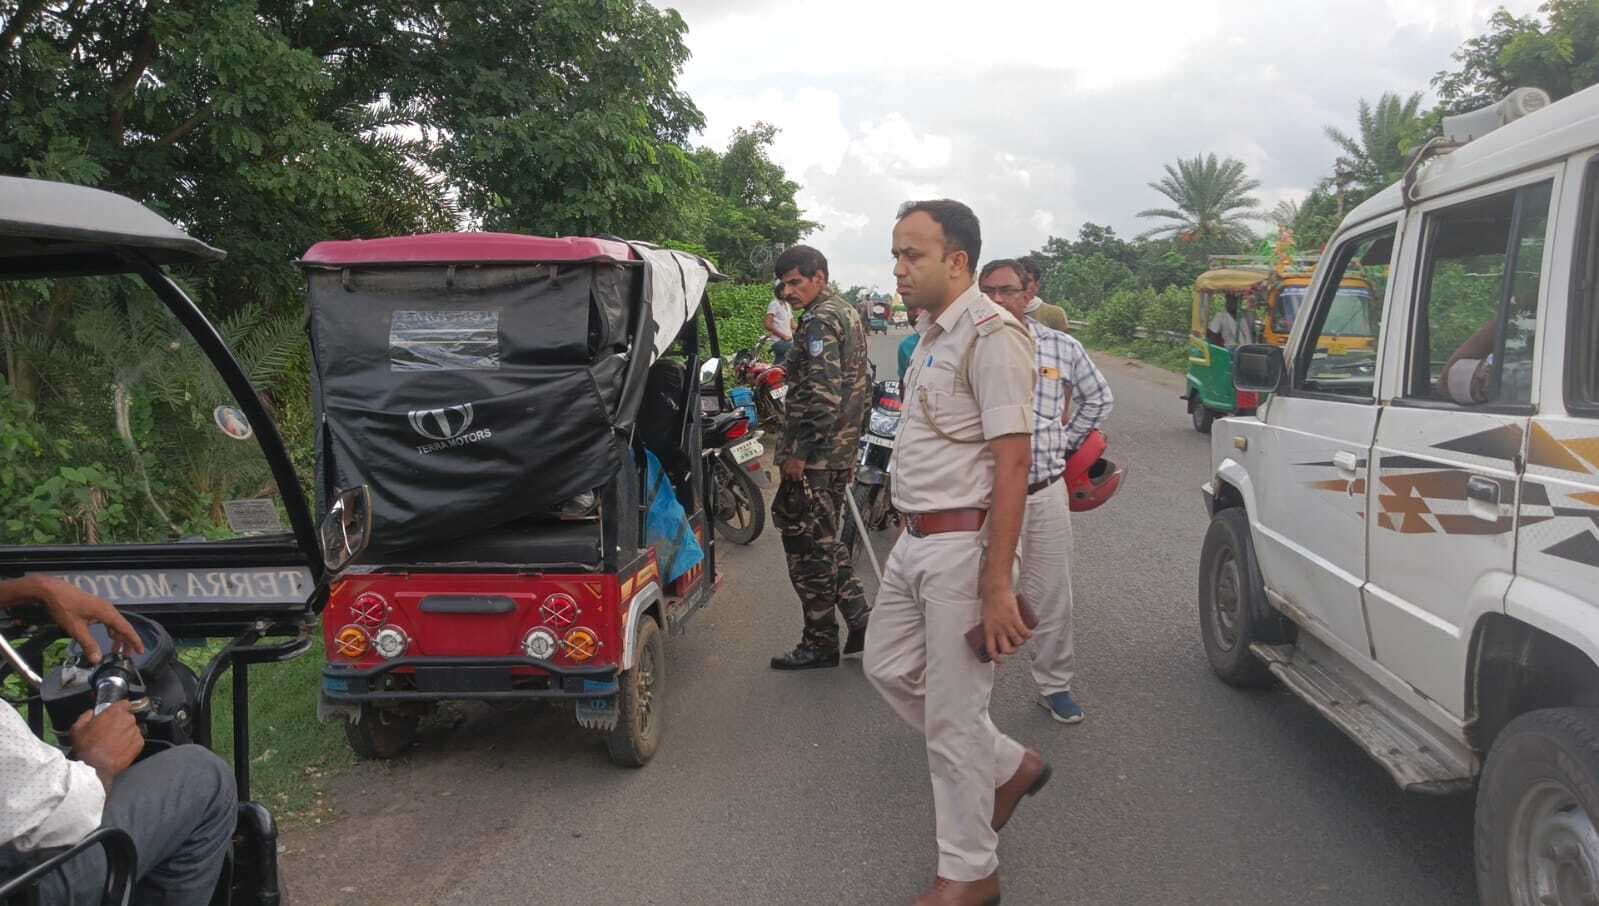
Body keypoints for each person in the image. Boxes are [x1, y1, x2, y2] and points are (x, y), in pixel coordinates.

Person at [865, 200, 1050, 906]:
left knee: (950, 719)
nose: (898, 268)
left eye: (912, 254)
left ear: (957, 260)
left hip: (960, 548)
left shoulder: (990, 335)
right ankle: (1008, 765)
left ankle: (971, 874)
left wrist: (995, 583)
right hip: (913, 541)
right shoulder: (930, 336)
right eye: (895, 254)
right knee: (884, 666)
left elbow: (1012, 464)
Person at [0, 576, 237, 906]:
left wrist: (30, 589)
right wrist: (96, 763)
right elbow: (55, 819)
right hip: (17, 885)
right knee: (203, 778)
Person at [978, 259, 1114, 725]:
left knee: (1051, 592)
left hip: (1044, 491)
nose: (998, 300)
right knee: (979, 594)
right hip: (985, 498)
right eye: (988, 291)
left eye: (1007, 291)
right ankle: (971, 697)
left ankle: (1054, 686)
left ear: (1027, 293)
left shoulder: (1060, 345)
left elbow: (1099, 397)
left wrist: (1064, 442)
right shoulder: (968, 347)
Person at [769, 245, 872, 671]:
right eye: (785, 283)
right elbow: (859, 384)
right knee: (826, 543)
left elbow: (824, 393)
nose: (789, 291)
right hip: (837, 450)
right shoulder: (844, 312)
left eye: (797, 281)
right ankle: (860, 617)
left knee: (808, 552)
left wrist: (800, 454)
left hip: (816, 456)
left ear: (820, 277)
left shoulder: (819, 320)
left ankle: (819, 643)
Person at [1016, 257, 1070, 334]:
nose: (1022, 284)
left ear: (1037, 285)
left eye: (1027, 280)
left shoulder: (1054, 314)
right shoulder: (1002, 311)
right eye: (1018, 279)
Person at [765, 279, 795, 361]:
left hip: (788, 341)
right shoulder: (774, 304)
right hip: (779, 341)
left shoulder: (788, 305)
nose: (786, 292)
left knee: (781, 366)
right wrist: (783, 336)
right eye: (784, 290)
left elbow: (793, 325)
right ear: (779, 291)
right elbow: (767, 324)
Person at [898, 307, 922, 383]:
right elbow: (903, 382)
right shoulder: (905, 346)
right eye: (910, 307)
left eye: (922, 306)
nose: (917, 313)